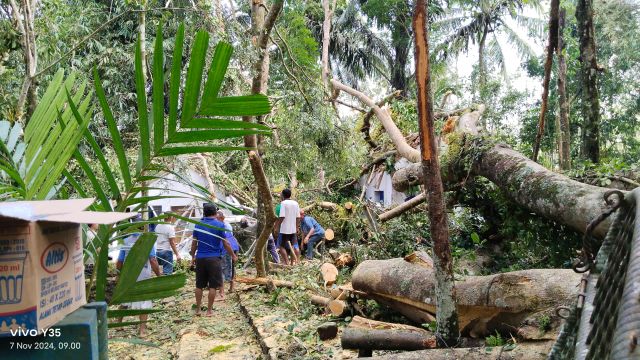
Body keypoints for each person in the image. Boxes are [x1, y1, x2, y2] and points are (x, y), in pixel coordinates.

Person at [190, 203, 236, 316]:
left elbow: (194, 243)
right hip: (214, 259)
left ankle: (198, 309)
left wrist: (193, 256)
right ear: (215, 213)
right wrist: (233, 255)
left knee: (199, 285)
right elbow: (225, 243)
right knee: (213, 286)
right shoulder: (219, 225)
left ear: (204, 213)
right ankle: (209, 311)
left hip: (200, 258)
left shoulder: (197, 225)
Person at [116, 226, 161, 337]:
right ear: (143, 228)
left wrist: (119, 275)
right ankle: (142, 330)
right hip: (143, 275)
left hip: (128, 276)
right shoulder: (147, 241)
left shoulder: (125, 241)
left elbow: (120, 261)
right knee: (144, 301)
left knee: (125, 299)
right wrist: (159, 275)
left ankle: (118, 324)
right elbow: (153, 260)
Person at [216, 211, 240, 295]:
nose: (216, 219)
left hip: (229, 248)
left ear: (222, 218)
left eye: (217, 218)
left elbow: (227, 240)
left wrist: (233, 254)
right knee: (224, 268)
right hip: (227, 248)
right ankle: (225, 287)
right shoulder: (221, 225)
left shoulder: (225, 226)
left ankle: (228, 287)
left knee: (228, 267)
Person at [274, 189, 300, 265]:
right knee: (292, 246)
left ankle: (286, 262)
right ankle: (293, 262)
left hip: (284, 229)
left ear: (283, 195)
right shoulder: (295, 203)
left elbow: (282, 217)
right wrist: (297, 227)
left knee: (281, 246)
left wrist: (276, 227)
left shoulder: (283, 203)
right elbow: (298, 217)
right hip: (293, 229)